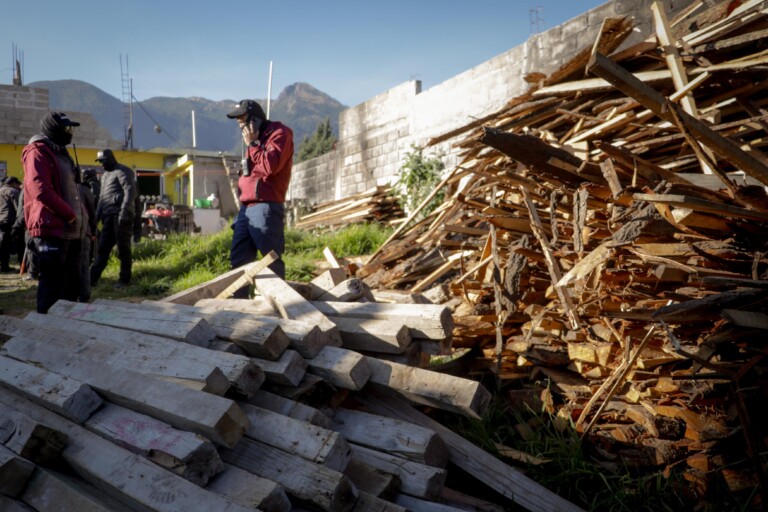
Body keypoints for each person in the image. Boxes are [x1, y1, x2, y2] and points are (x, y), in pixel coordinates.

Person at [21, 111, 87, 313]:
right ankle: (47, 333)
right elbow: (39, 189)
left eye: (71, 128)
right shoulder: (37, 151)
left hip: (73, 231)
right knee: (53, 288)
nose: (70, 133)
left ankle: (67, 333)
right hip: (53, 230)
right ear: (52, 129)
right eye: (66, 129)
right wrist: (69, 214)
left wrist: (83, 221)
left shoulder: (62, 153)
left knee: (71, 286)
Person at [226, 99, 293, 294]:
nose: (240, 125)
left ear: (255, 120)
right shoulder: (254, 140)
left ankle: (279, 308)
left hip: (265, 207)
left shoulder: (280, 134)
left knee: (269, 260)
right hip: (246, 209)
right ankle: (237, 311)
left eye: (242, 120)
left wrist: (254, 143)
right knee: (239, 261)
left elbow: (270, 167)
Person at [89, 149, 137, 289]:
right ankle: (92, 278)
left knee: (123, 249)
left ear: (110, 158)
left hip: (121, 216)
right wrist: (96, 219)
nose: (101, 164)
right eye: (99, 162)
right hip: (108, 218)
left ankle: (124, 279)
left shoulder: (123, 171)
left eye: (103, 161)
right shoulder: (104, 177)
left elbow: (130, 191)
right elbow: (102, 200)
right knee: (102, 249)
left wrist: (124, 210)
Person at [0, 176, 22, 272]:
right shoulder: (13, 191)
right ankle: (21, 266)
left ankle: (4, 266)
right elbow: (19, 208)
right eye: (17, 184)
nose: (18, 186)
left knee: (3, 244)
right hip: (11, 221)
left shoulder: (0, 190)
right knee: (15, 244)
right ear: (13, 183)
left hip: (1, 221)